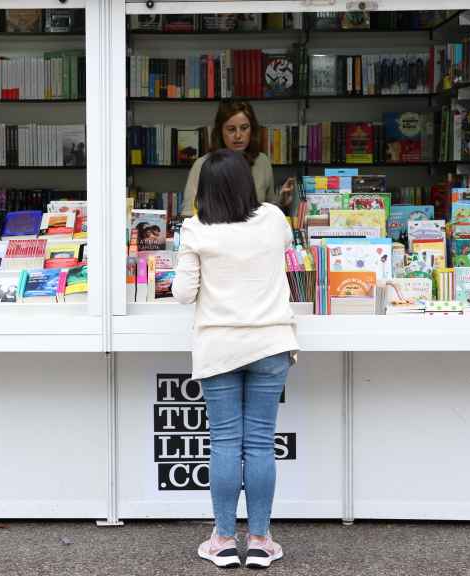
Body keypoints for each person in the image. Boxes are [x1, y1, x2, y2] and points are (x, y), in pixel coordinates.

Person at [172, 149, 298, 569]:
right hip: (271, 342)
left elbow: (184, 294)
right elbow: (284, 249)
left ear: (204, 189)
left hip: (220, 346)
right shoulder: (274, 219)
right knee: (260, 442)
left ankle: (224, 540)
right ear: (247, 182)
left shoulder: (194, 229)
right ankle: (260, 541)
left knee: (225, 442)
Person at [181, 100, 295, 218]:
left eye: (244, 128)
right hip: (215, 234)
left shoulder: (262, 162)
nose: (238, 135)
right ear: (220, 132)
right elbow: (188, 216)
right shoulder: (203, 165)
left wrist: (281, 202)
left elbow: (268, 211)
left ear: (252, 130)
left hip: (254, 234)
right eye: (231, 129)